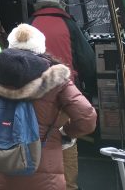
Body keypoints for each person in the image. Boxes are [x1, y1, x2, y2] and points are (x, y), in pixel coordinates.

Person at [0, 44, 96, 190]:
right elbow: (87, 118)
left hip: (3, 168)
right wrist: (65, 132)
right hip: (46, 175)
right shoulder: (56, 80)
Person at [8, 22, 94, 190]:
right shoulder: (56, 76)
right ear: (41, 47)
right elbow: (87, 117)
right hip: (48, 160)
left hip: (6, 159)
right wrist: (66, 134)